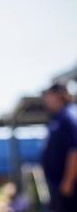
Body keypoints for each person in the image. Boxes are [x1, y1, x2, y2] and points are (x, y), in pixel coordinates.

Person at [42, 83, 77, 212]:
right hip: (58, 183)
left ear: (59, 95)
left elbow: (75, 151)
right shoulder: (59, 117)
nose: (46, 99)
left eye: (48, 95)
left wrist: (68, 181)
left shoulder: (69, 117)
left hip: (69, 186)